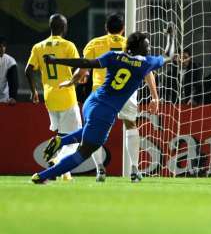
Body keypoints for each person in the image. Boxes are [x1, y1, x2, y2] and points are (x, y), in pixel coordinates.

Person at [31, 32, 172, 184]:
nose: (149, 48)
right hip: (104, 112)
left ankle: (61, 141)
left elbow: (86, 63)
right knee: (83, 153)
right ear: (139, 47)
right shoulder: (146, 63)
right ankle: (43, 176)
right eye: (147, 45)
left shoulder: (114, 55)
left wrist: (56, 60)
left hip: (91, 102)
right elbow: (168, 55)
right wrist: (171, 37)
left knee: (89, 131)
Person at [66, 14, 155, 182]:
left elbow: (83, 69)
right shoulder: (130, 44)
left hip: (102, 92)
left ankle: (100, 169)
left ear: (106, 28)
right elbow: (147, 70)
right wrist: (154, 96)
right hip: (126, 92)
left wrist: (71, 82)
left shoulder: (95, 43)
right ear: (123, 29)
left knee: (93, 129)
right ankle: (135, 169)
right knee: (130, 124)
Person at [25, 14, 81, 181]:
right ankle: (56, 161)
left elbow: (28, 70)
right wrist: (73, 81)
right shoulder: (68, 46)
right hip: (66, 96)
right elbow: (80, 68)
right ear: (64, 28)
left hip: (49, 97)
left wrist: (34, 91)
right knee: (75, 138)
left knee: (62, 135)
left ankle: (65, 173)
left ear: (50, 27)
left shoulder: (38, 46)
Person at [0, 37, 18, 105]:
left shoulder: (10, 61)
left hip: (4, 100)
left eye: (4, 46)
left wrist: (13, 97)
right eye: (0, 46)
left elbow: (13, 81)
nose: (2, 49)